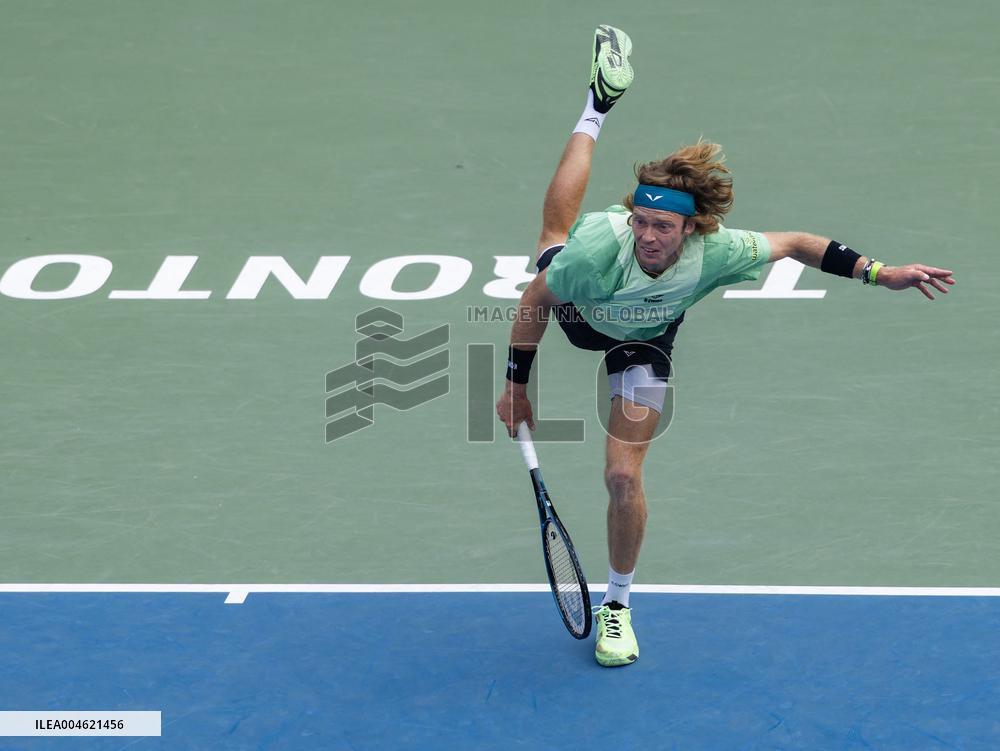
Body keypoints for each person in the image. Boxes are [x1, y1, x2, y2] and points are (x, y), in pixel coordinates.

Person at [495, 25, 956, 668]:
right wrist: (516, 387)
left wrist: (882, 273)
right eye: (643, 222)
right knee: (552, 233)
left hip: (646, 341)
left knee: (622, 475)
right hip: (581, 308)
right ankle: (597, 106)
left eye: (664, 226)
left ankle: (619, 608)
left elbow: (797, 243)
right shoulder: (601, 249)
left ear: (692, 228)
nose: (651, 236)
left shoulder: (718, 251)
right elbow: (536, 302)